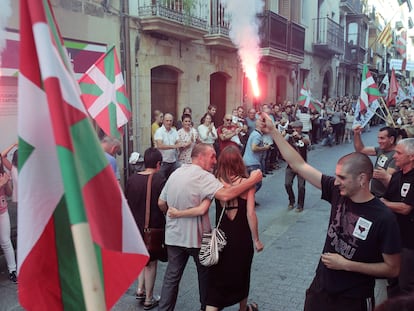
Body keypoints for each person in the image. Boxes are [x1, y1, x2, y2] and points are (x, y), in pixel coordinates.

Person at [261, 112, 401, 311]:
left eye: (342, 178)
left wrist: (347, 264)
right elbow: (299, 164)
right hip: (320, 289)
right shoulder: (338, 192)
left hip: (353, 299)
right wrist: (274, 131)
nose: (336, 182)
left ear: (362, 179)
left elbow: (393, 268)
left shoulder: (383, 218)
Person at [157, 143, 262, 311]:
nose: (215, 160)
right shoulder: (205, 177)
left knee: (171, 278)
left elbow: (161, 203)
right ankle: (206, 307)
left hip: (174, 236)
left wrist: (174, 216)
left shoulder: (176, 173)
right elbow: (226, 195)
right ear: (201, 157)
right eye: (212, 156)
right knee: (206, 276)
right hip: (197, 237)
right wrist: (252, 180)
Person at [125, 148, 166, 310]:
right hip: (152, 227)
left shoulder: (132, 179)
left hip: (135, 226)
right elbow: (163, 203)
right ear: (157, 164)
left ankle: (140, 289)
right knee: (151, 263)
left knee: (141, 259)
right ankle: (149, 298)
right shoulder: (159, 179)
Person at [380, 138, 414, 298]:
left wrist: (385, 204)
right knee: (392, 279)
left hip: (409, 242)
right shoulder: (396, 176)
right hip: (393, 238)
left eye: (399, 153)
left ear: (411, 156)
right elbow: (386, 200)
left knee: (406, 283)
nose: (394, 157)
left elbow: (406, 208)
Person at [353, 125, 398, 197]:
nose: (379, 141)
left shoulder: (396, 155)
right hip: (374, 193)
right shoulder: (381, 149)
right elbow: (361, 150)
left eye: (382, 138)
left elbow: (386, 178)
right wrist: (357, 134)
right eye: (378, 138)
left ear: (391, 139)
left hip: (384, 197)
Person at [284, 121, 310, 212]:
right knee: (287, 184)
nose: (294, 130)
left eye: (296, 128)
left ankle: (300, 205)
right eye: (293, 128)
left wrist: (299, 137)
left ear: (300, 128)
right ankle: (291, 200)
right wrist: (286, 133)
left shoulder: (305, 136)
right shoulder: (289, 137)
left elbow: (308, 143)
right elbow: (282, 142)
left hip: (302, 166)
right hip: (291, 165)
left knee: (301, 186)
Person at [0, 154, 17, 282]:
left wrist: (7, 183)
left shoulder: (2, 173)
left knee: (6, 241)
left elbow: (10, 193)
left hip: (3, 210)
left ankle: (13, 270)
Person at [243, 118, 269, 193]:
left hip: (247, 162)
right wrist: (265, 148)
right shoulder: (257, 135)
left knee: (249, 183)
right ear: (261, 125)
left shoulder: (254, 133)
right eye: (263, 124)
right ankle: (248, 199)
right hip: (253, 163)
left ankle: (248, 199)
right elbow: (254, 148)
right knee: (257, 183)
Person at [154, 113, 180, 179]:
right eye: (167, 120)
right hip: (163, 162)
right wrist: (174, 146)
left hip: (173, 161)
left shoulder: (174, 131)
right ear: (163, 121)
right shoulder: (159, 131)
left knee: (174, 181)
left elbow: (179, 143)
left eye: (170, 121)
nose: (169, 122)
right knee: (161, 182)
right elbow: (160, 146)